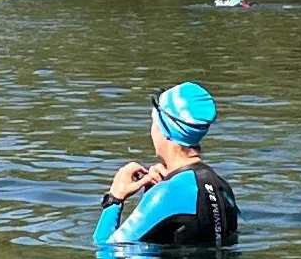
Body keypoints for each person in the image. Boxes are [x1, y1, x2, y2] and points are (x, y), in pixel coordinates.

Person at [93, 83, 239, 247]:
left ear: (165, 131)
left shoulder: (167, 194)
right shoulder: (223, 187)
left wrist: (114, 199)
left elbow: (105, 250)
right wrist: (153, 192)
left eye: (153, 123)